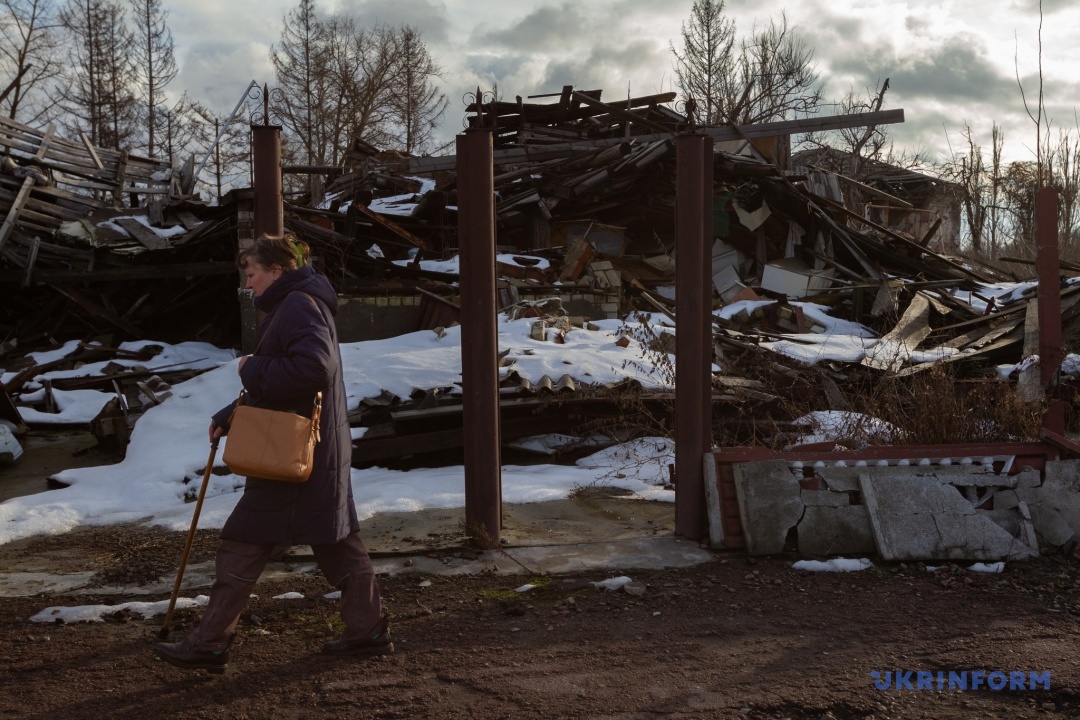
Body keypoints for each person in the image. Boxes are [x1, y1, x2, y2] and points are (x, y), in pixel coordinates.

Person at [154, 233, 391, 673]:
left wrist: (250, 366)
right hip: (311, 451)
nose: (249, 284)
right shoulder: (296, 303)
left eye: (252, 274)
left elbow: (313, 369)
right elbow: (291, 377)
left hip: (294, 455)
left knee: (241, 541)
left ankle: (209, 644)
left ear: (276, 270)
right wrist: (233, 412)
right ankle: (367, 629)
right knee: (335, 541)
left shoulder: (298, 305)